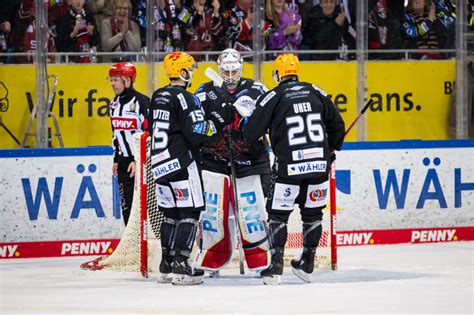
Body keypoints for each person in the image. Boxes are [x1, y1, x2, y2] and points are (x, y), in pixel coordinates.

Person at [238, 53, 345, 285]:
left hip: (290, 166)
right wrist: (333, 148)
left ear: (278, 74)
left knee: (278, 215)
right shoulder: (316, 91)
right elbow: (337, 124)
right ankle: (307, 263)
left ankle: (275, 265)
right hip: (318, 165)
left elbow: (251, 133)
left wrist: (244, 122)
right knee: (313, 214)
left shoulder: (273, 96)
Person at [149, 52, 235, 285]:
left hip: (158, 163)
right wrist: (219, 118)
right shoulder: (186, 97)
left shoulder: (158, 95)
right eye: (190, 70)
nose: (192, 75)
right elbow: (199, 132)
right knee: (190, 211)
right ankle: (182, 265)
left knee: (170, 214)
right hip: (181, 163)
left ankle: (167, 264)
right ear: (182, 72)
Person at [193, 48, 271, 274]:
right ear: (219, 69)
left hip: (249, 160)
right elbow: (196, 124)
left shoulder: (257, 90)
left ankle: (259, 260)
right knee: (213, 212)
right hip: (214, 160)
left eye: (234, 70)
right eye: (225, 71)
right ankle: (212, 258)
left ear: (241, 68)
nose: (229, 76)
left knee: (251, 212)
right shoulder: (205, 91)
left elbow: (270, 118)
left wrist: (252, 116)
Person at [108, 62, 149, 226]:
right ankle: (133, 246)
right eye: (111, 80)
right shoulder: (114, 104)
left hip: (142, 161)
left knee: (144, 207)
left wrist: (138, 158)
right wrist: (116, 159)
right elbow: (116, 135)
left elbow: (149, 134)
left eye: (116, 79)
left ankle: (150, 245)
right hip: (125, 162)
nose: (112, 84)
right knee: (127, 208)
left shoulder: (143, 102)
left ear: (128, 80)